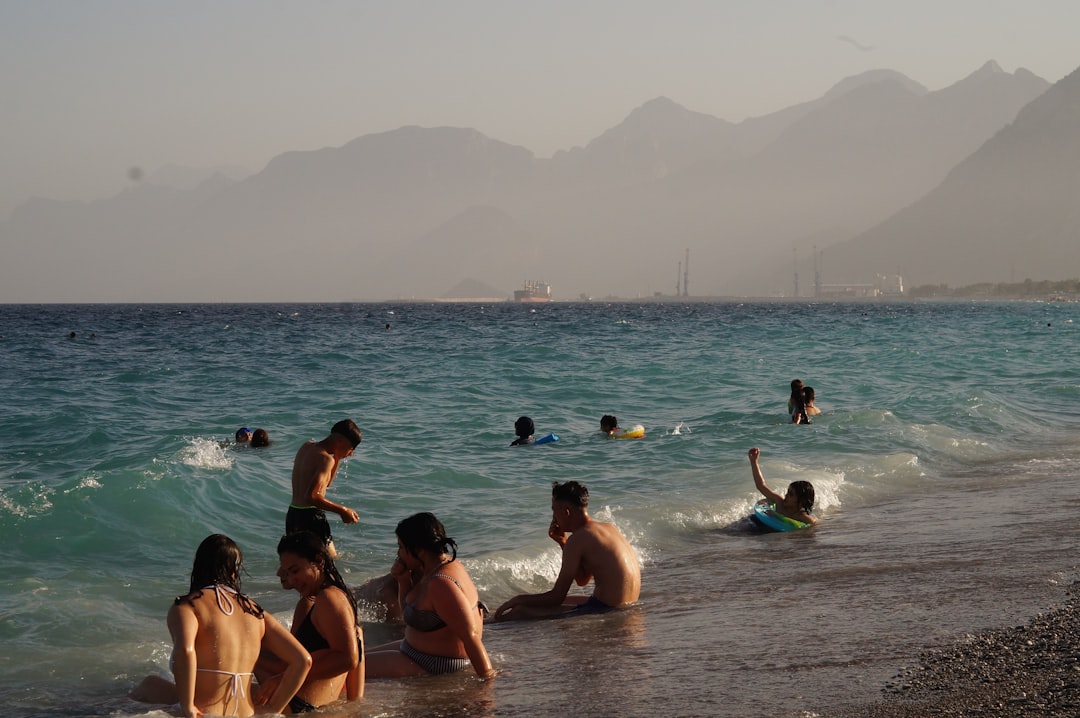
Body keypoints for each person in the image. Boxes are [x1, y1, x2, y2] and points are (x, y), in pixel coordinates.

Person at [129, 534, 311, 718]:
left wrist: (187, 707)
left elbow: (185, 651)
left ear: (198, 566)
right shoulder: (257, 613)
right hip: (246, 715)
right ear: (234, 572)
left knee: (146, 686)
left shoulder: (188, 606)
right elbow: (303, 660)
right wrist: (273, 710)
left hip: (206, 713)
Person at [365, 513, 495, 679]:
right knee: (358, 657)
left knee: (350, 669)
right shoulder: (438, 568)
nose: (398, 554)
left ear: (419, 550)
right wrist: (403, 581)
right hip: (414, 650)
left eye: (401, 547)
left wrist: (487, 681)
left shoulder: (441, 584)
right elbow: (408, 612)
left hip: (432, 662)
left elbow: (470, 636)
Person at [492, 481, 641, 621]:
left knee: (520, 611)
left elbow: (556, 597)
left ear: (566, 512)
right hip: (628, 606)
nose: (553, 518)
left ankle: (490, 622)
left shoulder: (577, 540)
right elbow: (582, 580)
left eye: (554, 511)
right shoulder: (608, 528)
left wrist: (517, 599)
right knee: (569, 599)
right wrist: (563, 542)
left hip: (608, 611)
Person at [256, 531, 363, 711]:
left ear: (319, 561)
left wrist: (284, 678)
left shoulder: (328, 599)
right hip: (311, 703)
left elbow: (348, 658)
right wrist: (355, 705)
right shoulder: (338, 596)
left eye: (295, 570)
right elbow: (357, 645)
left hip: (298, 705)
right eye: (288, 573)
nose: (291, 579)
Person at [287, 419, 362, 559]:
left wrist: (338, 458)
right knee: (330, 562)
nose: (351, 453)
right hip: (310, 517)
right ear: (340, 440)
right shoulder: (326, 459)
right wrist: (343, 511)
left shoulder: (306, 446)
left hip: (293, 515)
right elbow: (311, 497)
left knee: (303, 562)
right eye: (351, 447)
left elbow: (325, 484)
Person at [747, 447, 818, 525]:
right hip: (758, 523)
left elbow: (813, 526)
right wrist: (754, 462)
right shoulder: (779, 502)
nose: (786, 495)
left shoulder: (802, 517)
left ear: (802, 501)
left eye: (791, 494)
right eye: (788, 492)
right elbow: (761, 486)